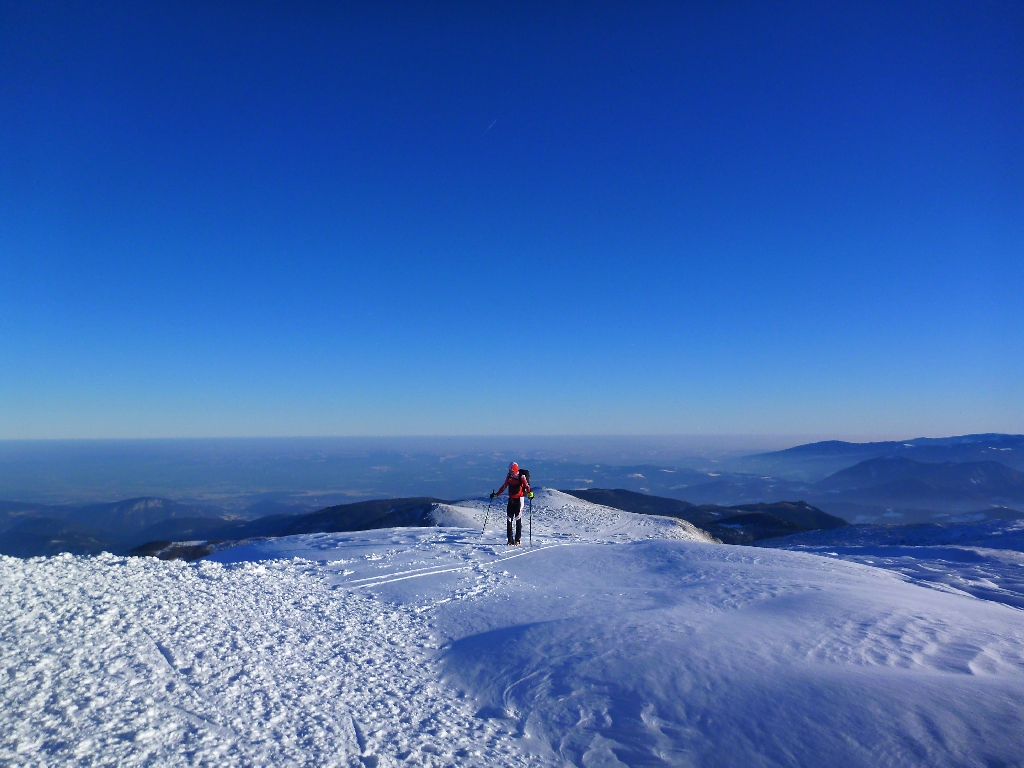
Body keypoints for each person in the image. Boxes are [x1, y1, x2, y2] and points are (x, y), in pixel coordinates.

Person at [491, 462, 533, 545]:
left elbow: (526, 485)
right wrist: (496, 494)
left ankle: (517, 540)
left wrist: (530, 493)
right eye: (510, 470)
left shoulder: (521, 477)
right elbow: (504, 486)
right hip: (511, 499)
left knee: (518, 519)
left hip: (519, 500)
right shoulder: (509, 476)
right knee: (509, 519)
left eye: (511, 470)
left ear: (515, 469)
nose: (510, 471)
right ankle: (510, 540)